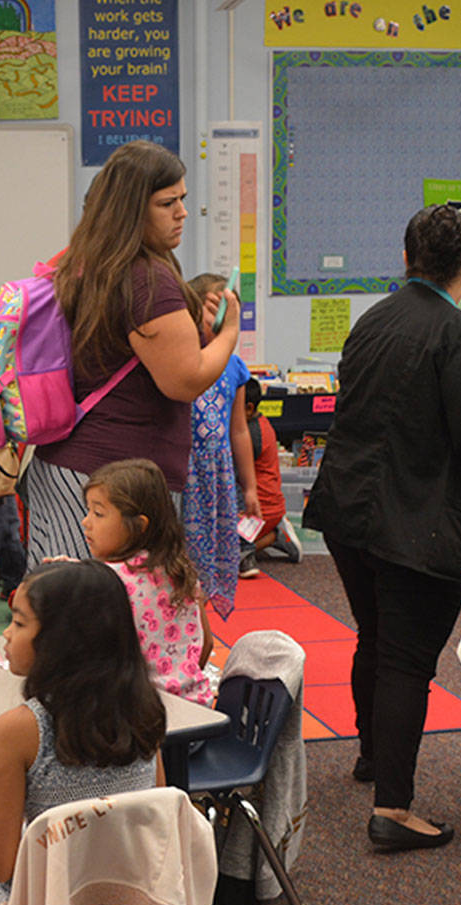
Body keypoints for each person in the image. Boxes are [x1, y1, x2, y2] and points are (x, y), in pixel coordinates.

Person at [303, 204, 461, 852]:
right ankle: (392, 809)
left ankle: (374, 755)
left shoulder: (373, 320)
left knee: (374, 638)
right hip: (417, 520)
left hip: (349, 509)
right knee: (405, 658)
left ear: (406, 259)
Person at [28, 140, 241, 559]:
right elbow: (185, 381)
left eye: (182, 199)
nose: (182, 213)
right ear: (131, 209)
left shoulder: (90, 265)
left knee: (64, 593)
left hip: (72, 467)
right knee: (112, 598)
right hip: (114, 484)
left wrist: (194, 333)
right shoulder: (146, 278)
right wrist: (230, 333)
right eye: (167, 203)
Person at [0, 562, 162, 905]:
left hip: (46, 904)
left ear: (60, 642)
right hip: (130, 892)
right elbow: (158, 811)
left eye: (18, 622)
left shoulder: (19, 729)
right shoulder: (145, 707)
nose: (6, 634)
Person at [82, 458, 212, 705]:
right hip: (196, 709)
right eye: (88, 511)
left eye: (98, 513)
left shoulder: (107, 581)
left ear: (139, 525)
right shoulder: (180, 570)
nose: (86, 522)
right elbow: (206, 644)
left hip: (137, 715)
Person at [181, 272, 257, 615]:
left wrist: (250, 487)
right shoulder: (180, 359)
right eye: (213, 311)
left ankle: (200, 620)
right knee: (183, 557)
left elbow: (238, 430)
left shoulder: (234, 366)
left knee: (210, 556)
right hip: (186, 472)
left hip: (218, 475)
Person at [242, 378, 300, 569]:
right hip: (267, 505)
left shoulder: (249, 434)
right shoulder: (262, 422)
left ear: (249, 408)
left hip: (260, 508)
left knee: (222, 554)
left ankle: (275, 535)